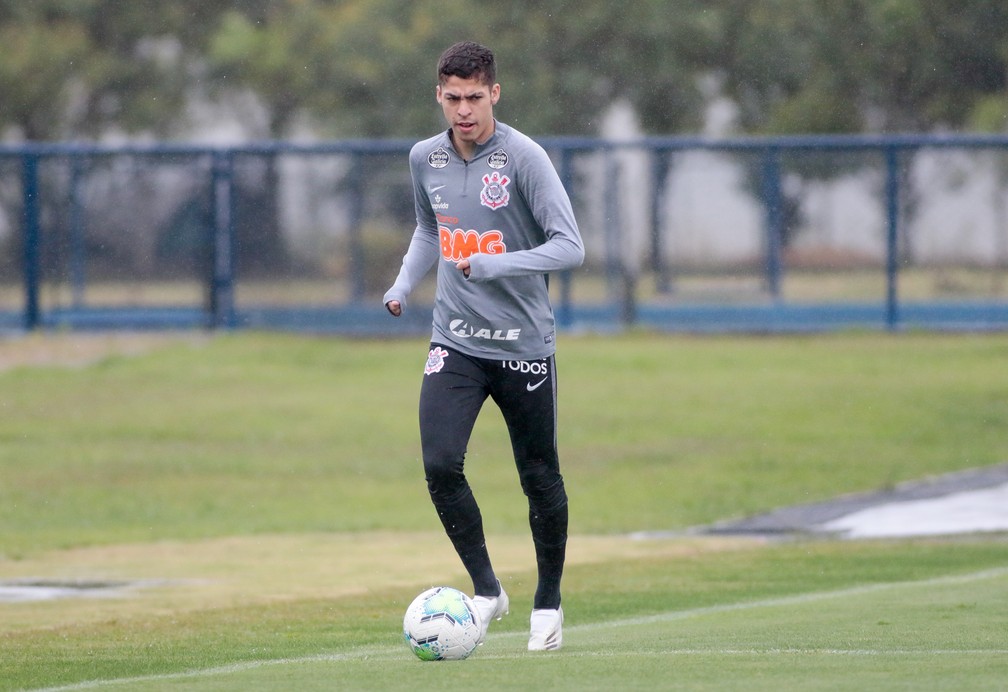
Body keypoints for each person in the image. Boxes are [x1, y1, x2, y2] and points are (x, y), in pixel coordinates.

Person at [383, 41, 584, 652]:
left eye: (475, 97)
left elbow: (570, 247)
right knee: (441, 466)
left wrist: (497, 265)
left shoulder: (524, 159)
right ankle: (488, 589)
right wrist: (401, 283)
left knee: (539, 475)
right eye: (453, 98)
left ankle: (546, 605)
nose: (464, 109)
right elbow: (429, 228)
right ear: (438, 96)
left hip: (523, 343)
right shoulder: (425, 158)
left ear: (494, 93)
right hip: (457, 340)